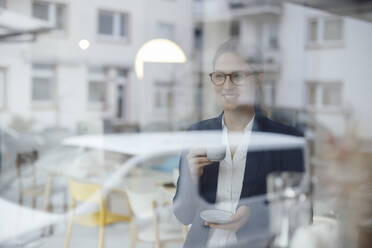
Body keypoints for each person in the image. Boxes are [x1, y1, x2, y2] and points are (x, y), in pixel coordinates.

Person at [173, 39, 304, 248]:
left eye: (237, 76)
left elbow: (302, 218)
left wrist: (254, 214)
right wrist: (191, 178)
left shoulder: (286, 140)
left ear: (258, 80)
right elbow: (183, 215)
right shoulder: (197, 134)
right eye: (219, 76)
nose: (227, 85)